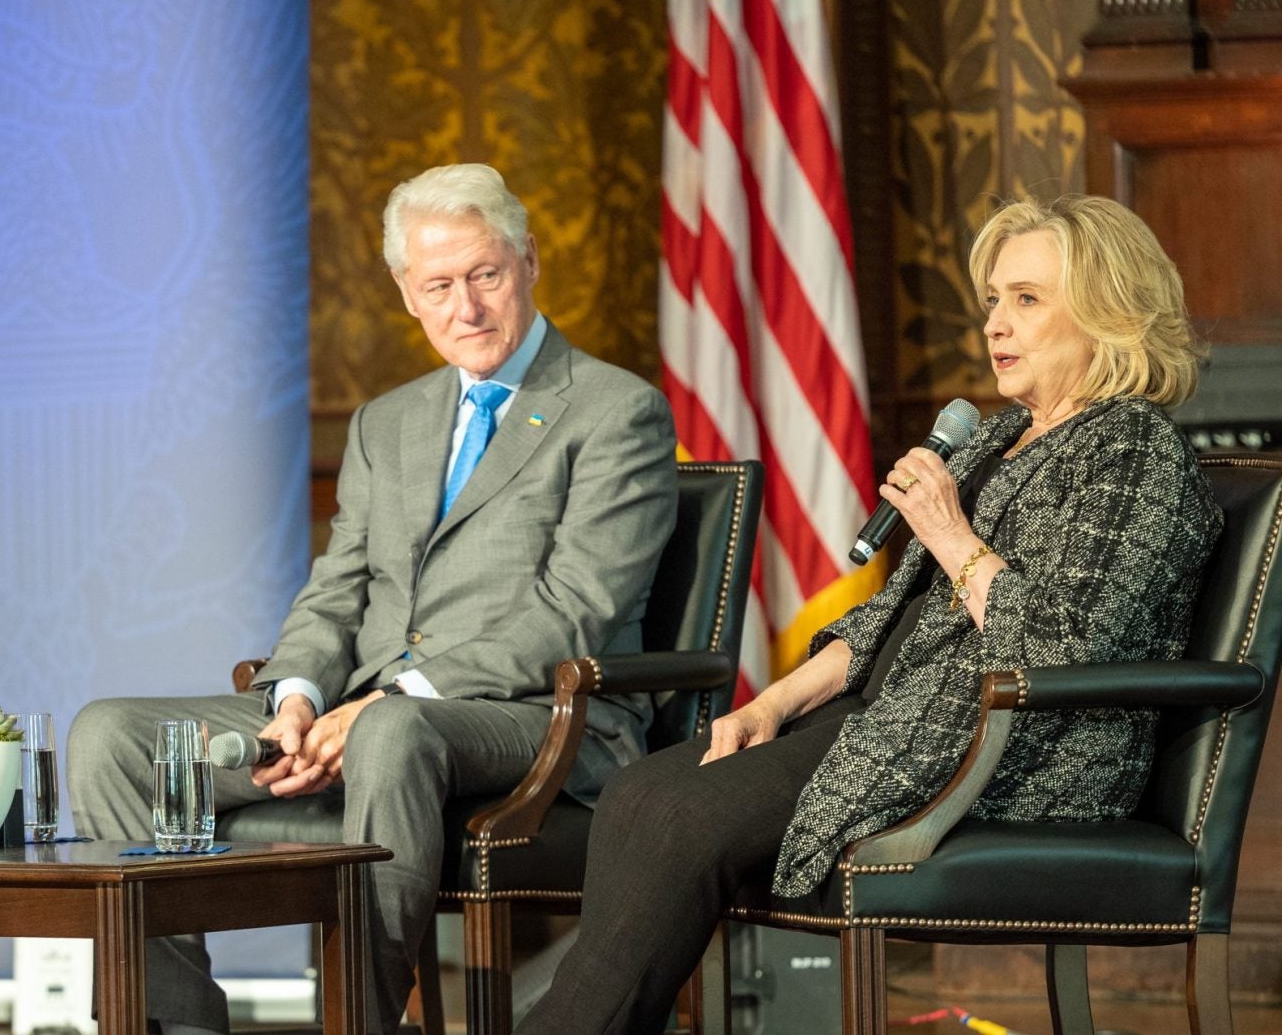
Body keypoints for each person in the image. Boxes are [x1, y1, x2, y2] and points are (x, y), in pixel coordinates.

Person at [517, 194, 1225, 1034]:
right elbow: (888, 615)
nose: (997, 322)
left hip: (1018, 742)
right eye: (994, 299)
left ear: (1111, 312)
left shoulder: (1134, 446)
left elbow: (1065, 647)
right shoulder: (1001, 438)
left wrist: (952, 533)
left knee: (681, 818)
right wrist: (770, 704)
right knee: (641, 791)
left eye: (1027, 299)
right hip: (899, 714)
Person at [68, 163, 679, 1035]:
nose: (466, 307)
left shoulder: (616, 411)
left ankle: (358, 1022)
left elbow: (572, 610)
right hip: (365, 713)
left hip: (534, 718)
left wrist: (392, 698)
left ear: (530, 262)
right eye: (439, 285)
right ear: (408, 295)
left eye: (486, 275)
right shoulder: (386, 422)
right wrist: (298, 700)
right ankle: (172, 1023)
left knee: (391, 731)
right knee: (111, 737)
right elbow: (337, 590)